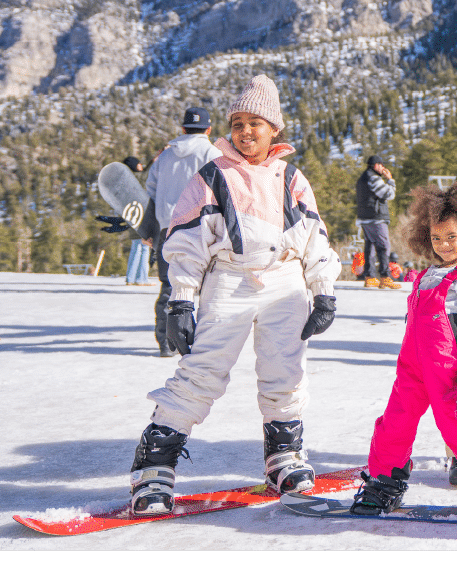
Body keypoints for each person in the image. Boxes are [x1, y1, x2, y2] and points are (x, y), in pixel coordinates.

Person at [127, 75, 341, 516]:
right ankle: (153, 468)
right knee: (202, 371)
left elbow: (313, 238)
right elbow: (187, 242)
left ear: (274, 129)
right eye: (238, 122)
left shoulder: (291, 177)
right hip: (229, 278)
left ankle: (283, 457)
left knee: (286, 371)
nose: (246, 131)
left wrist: (323, 292)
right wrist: (181, 300)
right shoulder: (212, 176)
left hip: (285, 282)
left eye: (256, 123)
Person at [351, 182, 457, 519]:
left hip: (448, 373)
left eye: (451, 237)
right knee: (394, 423)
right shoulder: (426, 276)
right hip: (411, 370)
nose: (443, 245)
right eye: (436, 238)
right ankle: (384, 483)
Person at [144, 107, 221, 356]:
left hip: (168, 228)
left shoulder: (165, 156)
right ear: (208, 130)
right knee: (210, 286)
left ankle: (166, 343)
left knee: (170, 285)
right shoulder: (211, 152)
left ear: (182, 128)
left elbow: (150, 193)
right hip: (201, 227)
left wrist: (150, 229)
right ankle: (205, 341)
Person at [356, 154, 400, 289]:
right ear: (376, 165)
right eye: (382, 165)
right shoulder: (373, 178)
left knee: (370, 246)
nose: (383, 168)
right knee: (383, 245)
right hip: (376, 217)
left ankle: (369, 277)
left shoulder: (362, 178)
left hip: (364, 217)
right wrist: (390, 180)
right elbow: (388, 194)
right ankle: (385, 276)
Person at [122, 156, 153, 286]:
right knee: (144, 247)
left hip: (131, 215)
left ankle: (131, 277)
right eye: (139, 163)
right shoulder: (138, 178)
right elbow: (148, 170)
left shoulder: (126, 179)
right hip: (141, 215)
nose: (141, 165)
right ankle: (141, 278)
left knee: (137, 246)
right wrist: (159, 155)